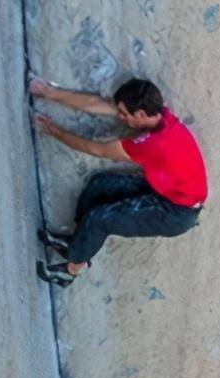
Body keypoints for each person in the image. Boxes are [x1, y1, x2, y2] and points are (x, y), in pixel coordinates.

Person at [29, 75, 207, 286]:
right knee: (100, 185)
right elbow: (97, 105)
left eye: (124, 114)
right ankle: (76, 245)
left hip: (176, 214)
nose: (121, 118)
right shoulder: (160, 113)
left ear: (140, 114)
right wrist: (49, 92)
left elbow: (95, 149)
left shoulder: (153, 144)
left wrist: (53, 131)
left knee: (101, 219)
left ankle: (71, 270)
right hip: (165, 192)